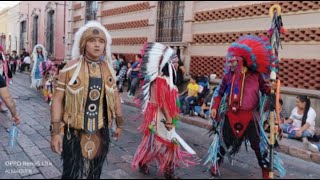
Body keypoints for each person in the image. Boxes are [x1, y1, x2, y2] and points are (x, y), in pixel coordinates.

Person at [50, 21, 124, 179]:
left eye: (101, 41)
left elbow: (115, 95)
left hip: (101, 129)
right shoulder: (70, 69)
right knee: (71, 172)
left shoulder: (108, 69)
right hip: (74, 131)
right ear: (83, 44)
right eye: (92, 40)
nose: (97, 45)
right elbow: (57, 100)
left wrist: (119, 122)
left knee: (95, 172)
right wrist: (56, 133)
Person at [206, 35, 285, 179]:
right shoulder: (228, 76)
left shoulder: (256, 76)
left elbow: (266, 90)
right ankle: (215, 165)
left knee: (259, 146)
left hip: (250, 117)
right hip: (231, 115)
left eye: (234, 60)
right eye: (230, 60)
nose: (231, 63)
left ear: (243, 60)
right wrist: (214, 107)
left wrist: (272, 88)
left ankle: (266, 173)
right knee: (224, 141)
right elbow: (220, 92)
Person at [131, 42, 197, 179]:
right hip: (159, 117)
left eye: (177, 62)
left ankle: (168, 171)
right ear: (167, 63)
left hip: (166, 118)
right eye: (175, 62)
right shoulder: (160, 80)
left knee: (168, 143)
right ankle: (145, 162)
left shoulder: (168, 80)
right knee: (159, 143)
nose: (177, 65)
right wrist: (168, 118)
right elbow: (161, 103)